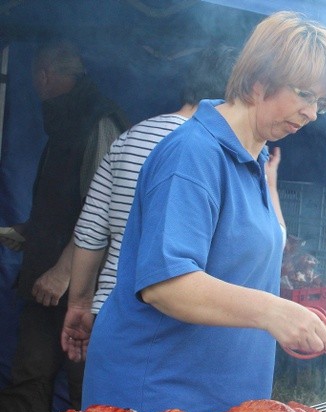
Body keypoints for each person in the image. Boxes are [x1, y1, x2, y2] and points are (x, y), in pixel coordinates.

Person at [80, 11, 326, 412]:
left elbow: (237, 274)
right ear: (260, 79)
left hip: (221, 408)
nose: (312, 113)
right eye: (305, 94)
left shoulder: (254, 157)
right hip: (156, 404)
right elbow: (167, 285)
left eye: (321, 104)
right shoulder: (193, 154)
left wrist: (292, 318)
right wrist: (273, 311)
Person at [60, 44, 240, 362]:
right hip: (179, 328)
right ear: (234, 92)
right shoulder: (217, 151)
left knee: (99, 410)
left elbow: (90, 232)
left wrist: (79, 305)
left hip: (111, 315)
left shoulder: (129, 139)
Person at [0, 40, 128, 412]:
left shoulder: (98, 122)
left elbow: (104, 210)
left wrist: (61, 269)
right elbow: (63, 203)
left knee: (84, 395)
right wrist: (29, 232)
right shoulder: (64, 118)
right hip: (47, 283)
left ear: (46, 76)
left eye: (38, 74)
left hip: (82, 289)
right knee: (29, 380)